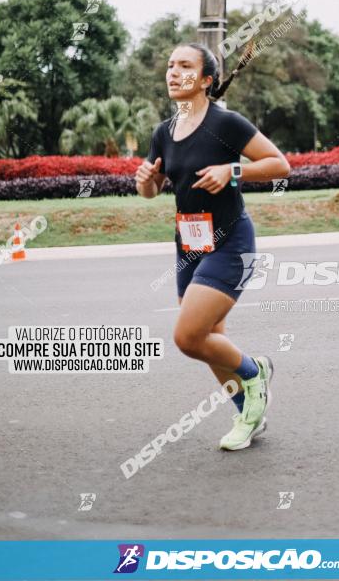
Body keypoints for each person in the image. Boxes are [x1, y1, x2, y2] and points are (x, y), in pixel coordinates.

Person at [136, 43, 290, 451]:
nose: (173, 72)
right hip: (189, 244)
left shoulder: (226, 123)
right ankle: (247, 413)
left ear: (206, 80)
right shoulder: (163, 132)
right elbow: (152, 190)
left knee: (189, 337)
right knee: (210, 343)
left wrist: (232, 170)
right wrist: (145, 179)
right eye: (170, 65)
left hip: (230, 242)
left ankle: (255, 372)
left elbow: (280, 165)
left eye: (185, 66)